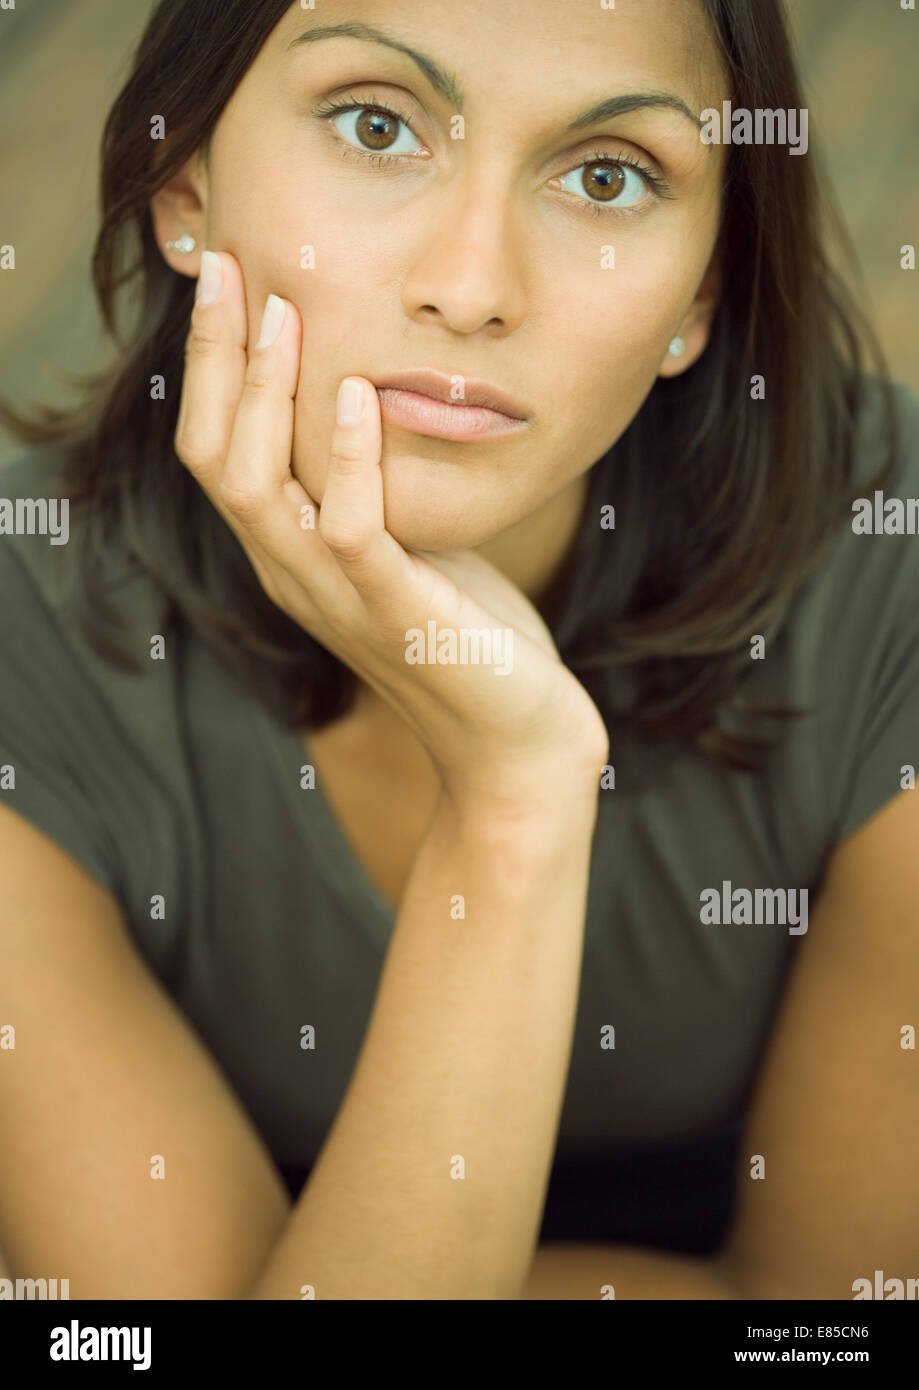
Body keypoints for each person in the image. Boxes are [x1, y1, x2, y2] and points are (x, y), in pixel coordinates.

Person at [0, 0, 916, 1301]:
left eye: (608, 176)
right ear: (183, 181)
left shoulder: (896, 570)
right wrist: (519, 798)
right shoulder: (19, 640)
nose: (473, 285)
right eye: (377, 125)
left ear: (699, 294)